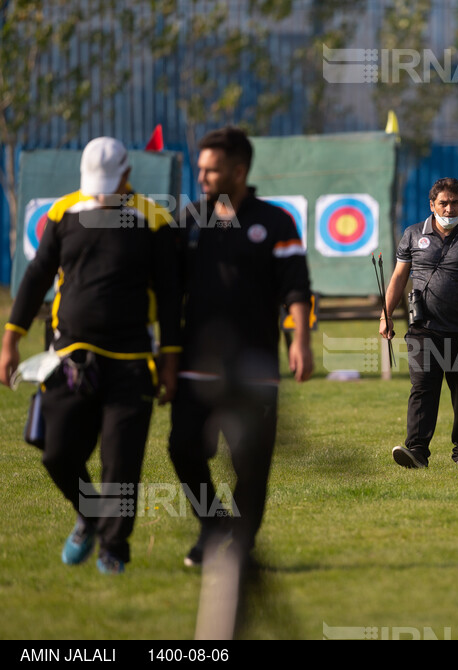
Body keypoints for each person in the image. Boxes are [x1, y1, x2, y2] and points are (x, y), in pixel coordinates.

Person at [0, 136, 181, 575]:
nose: (102, 192)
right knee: (56, 452)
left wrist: (170, 360)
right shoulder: (64, 213)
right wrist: (10, 338)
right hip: (69, 355)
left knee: (122, 462)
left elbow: (171, 298)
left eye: (110, 183)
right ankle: (90, 515)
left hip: (131, 359)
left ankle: (113, 549)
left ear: (127, 176)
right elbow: (36, 277)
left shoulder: (154, 219)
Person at [168, 126, 314, 567]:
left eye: (211, 170)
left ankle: (242, 547)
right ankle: (212, 526)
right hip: (196, 364)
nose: (203, 177)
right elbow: (169, 292)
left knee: (251, 463)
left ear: (238, 169)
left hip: (256, 365)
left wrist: (301, 341)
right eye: (200, 169)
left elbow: (295, 288)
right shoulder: (189, 221)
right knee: (183, 448)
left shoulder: (275, 222)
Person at [381, 178, 458, 468]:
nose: (449, 208)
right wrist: (385, 314)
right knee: (423, 387)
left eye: (455, 203)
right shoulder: (412, 234)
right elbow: (399, 278)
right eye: (443, 203)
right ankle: (417, 451)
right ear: (432, 205)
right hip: (424, 330)